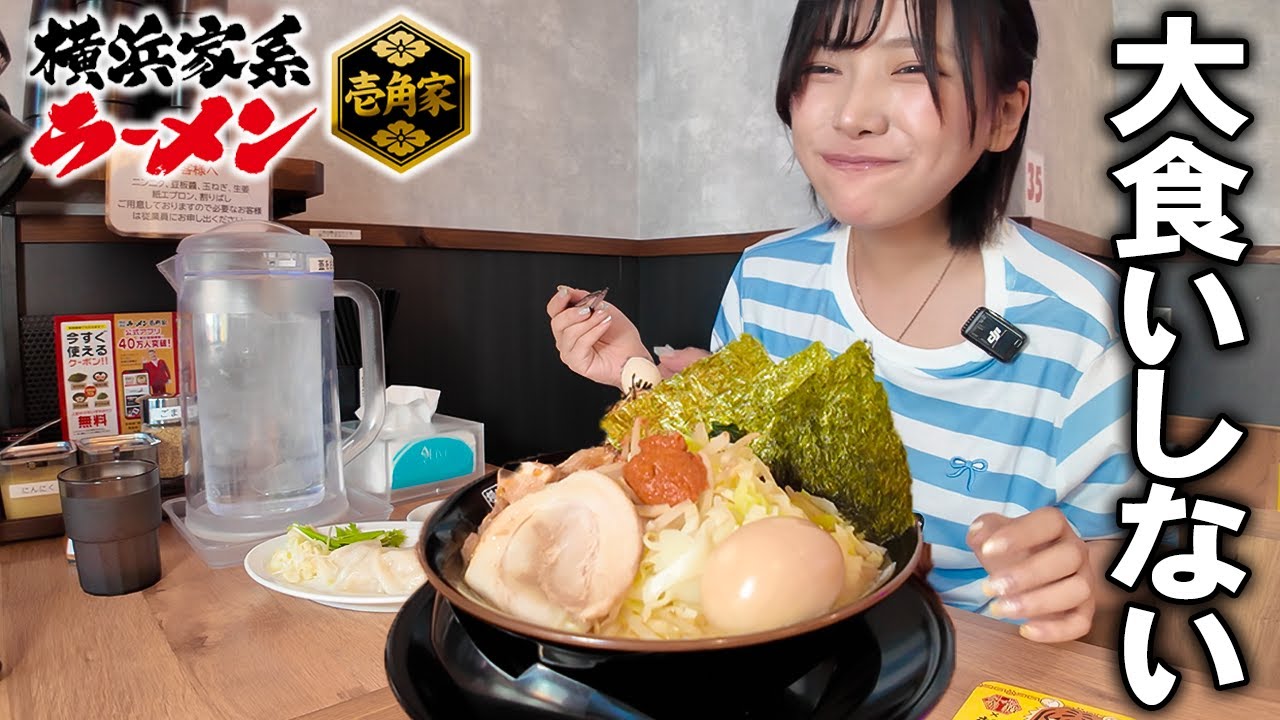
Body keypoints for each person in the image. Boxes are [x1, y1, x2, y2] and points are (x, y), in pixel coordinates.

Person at [548, 0, 1143, 645]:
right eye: (824, 67)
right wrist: (636, 368)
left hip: (984, 664)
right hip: (786, 655)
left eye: (913, 68)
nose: (854, 115)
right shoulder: (764, 278)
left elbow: (1122, 558)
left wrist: (1081, 577)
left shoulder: (1086, 321)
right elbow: (725, 472)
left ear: (1003, 114)